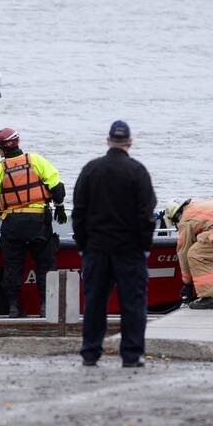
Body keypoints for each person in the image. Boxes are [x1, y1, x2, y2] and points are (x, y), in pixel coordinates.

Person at [73, 121, 157, 368]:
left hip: (96, 248)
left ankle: (90, 353)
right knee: (133, 303)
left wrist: (83, 245)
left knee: (95, 302)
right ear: (129, 143)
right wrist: (144, 246)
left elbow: (78, 212)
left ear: (108, 141)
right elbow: (146, 214)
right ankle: (132, 355)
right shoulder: (137, 171)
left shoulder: (91, 170)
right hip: (129, 250)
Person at [0, 127, 67, 318]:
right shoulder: (35, 160)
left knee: (12, 266)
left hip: (12, 224)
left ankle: (14, 308)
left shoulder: (0, 168)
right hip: (38, 222)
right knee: (46, 264)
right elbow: (57, 186)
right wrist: (60, 207)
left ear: (3, 149)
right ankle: (46, 306)